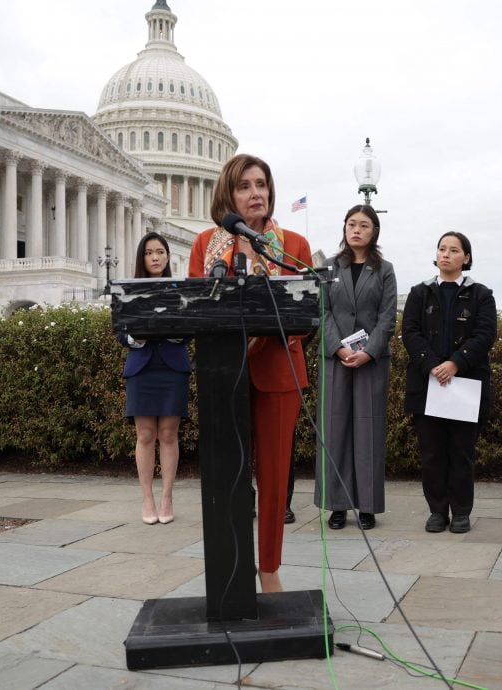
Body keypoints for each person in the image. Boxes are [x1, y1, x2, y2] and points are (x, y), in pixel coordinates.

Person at [188, 153, 313, 591]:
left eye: (261, 184)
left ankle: (270, 570)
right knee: (228, 476)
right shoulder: (206, 244)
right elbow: (195, 311)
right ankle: (230, 570)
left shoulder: (293, 244)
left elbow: (306, 309)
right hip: (224, 374)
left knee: (276, 479)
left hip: (279, 372)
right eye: (245, 186)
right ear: (228, 194)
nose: (255, 192)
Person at [402, 231, 497, 534]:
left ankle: (461, 512)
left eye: (454, 250)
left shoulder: (481, 294)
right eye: (442, 249)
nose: (446, 254)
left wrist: (456, 362)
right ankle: (437, 511)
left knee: (461, 451)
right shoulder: (420, 292)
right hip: (427, 383)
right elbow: (410, 332)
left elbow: (485, 333)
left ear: (466, 258)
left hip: (464, 383)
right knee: (431, 451)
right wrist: (433, 365)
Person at [316, 205, 397, 530]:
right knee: (335, 431)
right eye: (352, 224)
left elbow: (388, 316)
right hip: (336, 360)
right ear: (345, 228)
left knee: (368, 432)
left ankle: (367, 505)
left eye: (364, 225)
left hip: (370, 362)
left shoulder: (385, 269)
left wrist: (369, 351)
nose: (357, 230)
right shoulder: (329, 266)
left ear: (374, 231)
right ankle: (337, 505)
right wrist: (337, 347)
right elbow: (321, 310)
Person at [119, 231, 191, 525]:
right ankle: (147, 498)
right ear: (142, 258)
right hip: (142, 367)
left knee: (168, 435)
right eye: (149, 252)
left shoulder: (179, 289)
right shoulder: (129, 290)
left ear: (167, 256)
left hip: (172, 367)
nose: (155, 257)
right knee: (145, 435)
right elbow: (120, 330)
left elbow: (190, 328)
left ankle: (167, 497)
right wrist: (137, 335)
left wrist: (172, 330)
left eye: (160, 251)